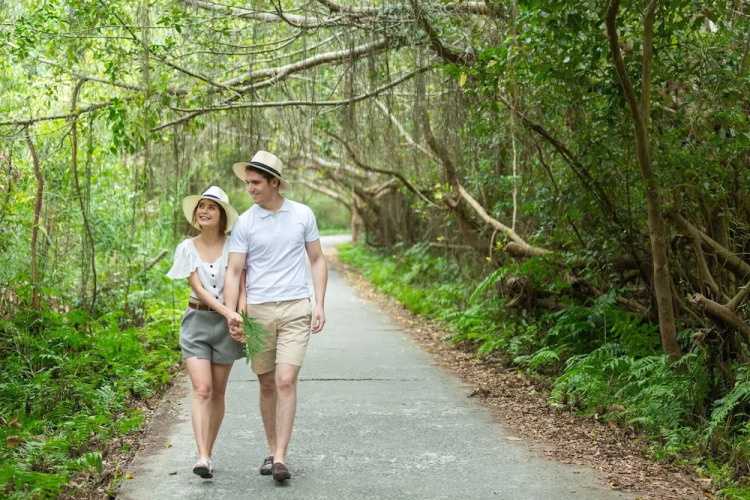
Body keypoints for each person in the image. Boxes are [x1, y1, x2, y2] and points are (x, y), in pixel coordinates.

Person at [224, 150, 328, 482]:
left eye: (255, 182)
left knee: (285, 379)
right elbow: (234, 271)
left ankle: (281, 457)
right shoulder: (245, 222)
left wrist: (320, 304)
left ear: (274, 182)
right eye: (247, 183)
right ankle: (271, 451)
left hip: (296, 307)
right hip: (258, 312)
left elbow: (317, 259)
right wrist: (233, 313)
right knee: (267, 382)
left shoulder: (302, 214)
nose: (250, 188)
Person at [166, 185, 246, 479]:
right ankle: (201, 456)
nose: (204, 211)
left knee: (218, 392)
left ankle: (208, 453)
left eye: (211, 207)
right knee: (202, 389)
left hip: (228, 326)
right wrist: (228, 312)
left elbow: (242, 286)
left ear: (222, 214)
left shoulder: (235, 246)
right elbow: (199, 289)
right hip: (197, 323)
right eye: (201, 206)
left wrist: (241, 318)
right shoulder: (186, 248)